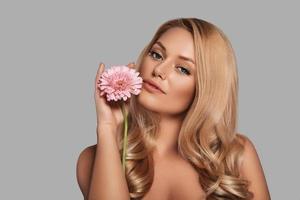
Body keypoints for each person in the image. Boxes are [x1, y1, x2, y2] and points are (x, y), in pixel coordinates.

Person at [76, 17, 271, 200]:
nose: (158, 71)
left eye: (183, 69)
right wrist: (107, 127)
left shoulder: (236, 156)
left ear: (205, 88)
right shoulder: (92, 159)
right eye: (156, 55)